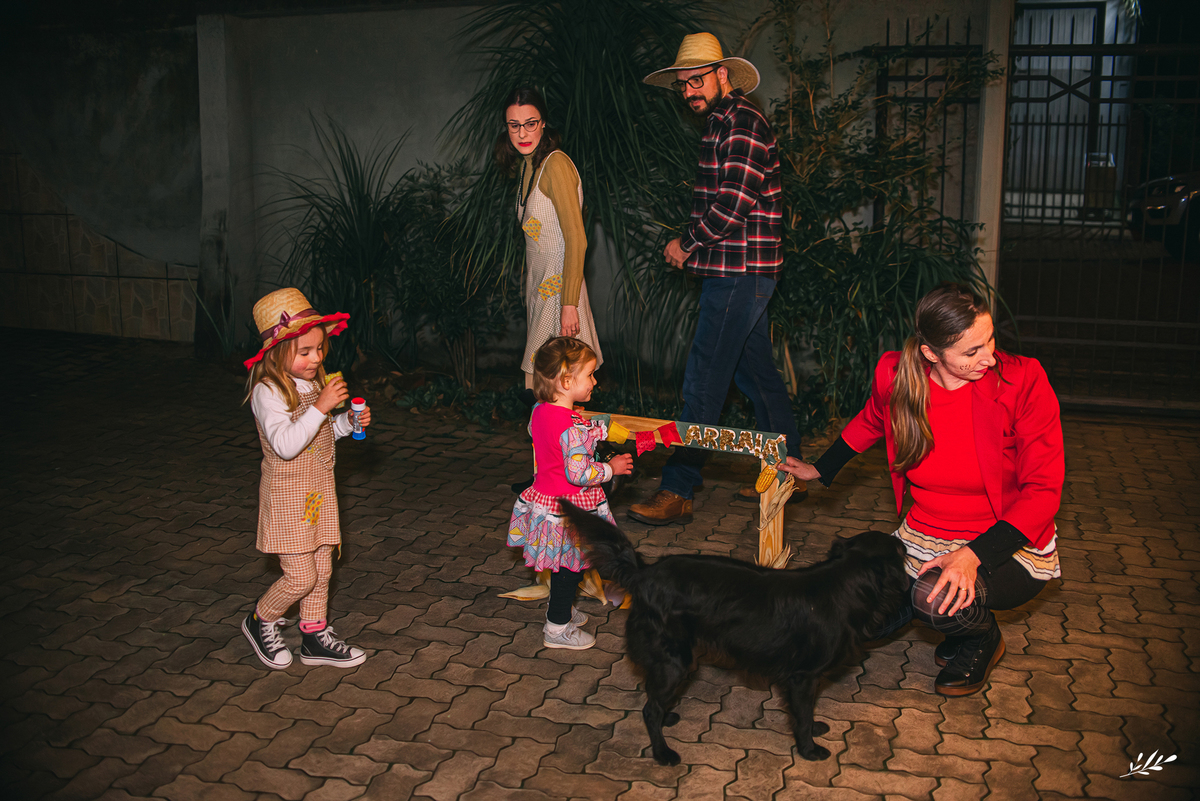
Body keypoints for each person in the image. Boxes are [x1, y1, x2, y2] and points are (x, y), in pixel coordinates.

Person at [782, 284, 1063, 696]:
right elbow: (873, 419)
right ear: (932, 353)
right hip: (925, 533)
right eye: (971, 351)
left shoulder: (1022, 380)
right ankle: (953, 619)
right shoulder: (898, 376)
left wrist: (972, 556)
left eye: (990, 341)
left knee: (934, 600)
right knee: (864, 617)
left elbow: (1043, 491)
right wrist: (820, 469)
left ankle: (981, 639)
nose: (989, 357)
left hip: (1005, 540)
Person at [630, 32, 804, 525]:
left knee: (704, 380)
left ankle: (677, 490)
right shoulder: (718, 124)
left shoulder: (743, 122)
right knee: (757, 378)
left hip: (739, 273)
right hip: (737, 271)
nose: (690, 91)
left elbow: (733, 203)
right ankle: (785, 474)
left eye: (697, 80)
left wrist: (686, 243)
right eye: (683, 85)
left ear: (723, 74)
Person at [241, 288, 371, 670]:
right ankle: (260, 620)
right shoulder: (268, 391)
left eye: (320, 349)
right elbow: (285, 444)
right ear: (279, 353)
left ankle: (314, 636)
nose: (316, 358)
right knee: (300, 577)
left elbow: (320, 433)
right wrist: (321, 406)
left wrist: (346, 422)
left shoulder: (312, 382)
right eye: (305, 352)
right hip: (288, 496)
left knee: (323, 567)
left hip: (317, 492)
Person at [507, 337, 634, 650]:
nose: (595, 381)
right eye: (590, 375)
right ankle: (557, 628)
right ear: (566, 381)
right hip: (570, 508)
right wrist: (610, 468)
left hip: (546, 503)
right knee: (568, 569)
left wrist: (595, 431)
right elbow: (580, 473)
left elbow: (559, 438)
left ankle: (560, 609)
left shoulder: (540, 411)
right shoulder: (571, 428)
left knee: (566, 566)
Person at [495, 87, 603, 389]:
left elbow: (576, 239)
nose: (522, 132)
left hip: (560, 290)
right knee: (548, 391)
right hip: (540, 290)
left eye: (531, 123)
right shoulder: (529, 165)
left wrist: (569, 303)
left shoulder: (556, 164)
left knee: (553, 388)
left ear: (543, 124)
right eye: (514, 125)